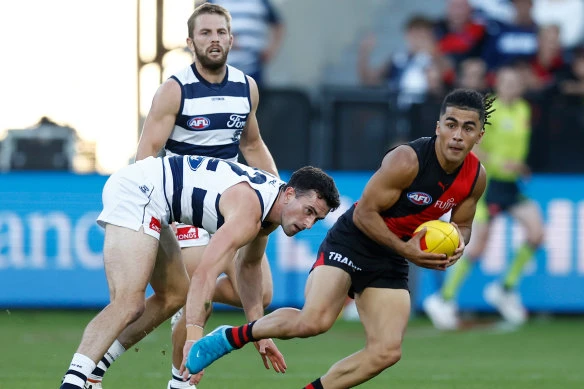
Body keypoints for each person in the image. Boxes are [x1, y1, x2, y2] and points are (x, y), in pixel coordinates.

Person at [181, 89, 491, 389]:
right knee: (313, 322)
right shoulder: (407, 160)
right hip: (353, 240)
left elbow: (461, 225)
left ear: (479, 135)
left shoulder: (476, 177)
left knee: (386, 352)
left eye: (468, 128)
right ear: (438, 127)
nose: (458, 135)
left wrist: (455, 246)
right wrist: (407, 249)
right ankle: (229, 337)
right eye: (451, 124)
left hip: (392, 256)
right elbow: (364, 214)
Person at [84, 4, 281, 389]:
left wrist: (277, 192)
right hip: (183, 208)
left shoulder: (246, 87)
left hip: (231, 205)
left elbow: (252, 143)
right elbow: (146, 157)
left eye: (221, 32)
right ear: (190, 42)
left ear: (231, 38)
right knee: (196, 294)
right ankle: (173, 380)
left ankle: (175, 321)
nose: (214, 40)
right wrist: (156, 215)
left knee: (260, 295)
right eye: (205, 33)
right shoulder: (174, 90)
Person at [59, 155, 341, 389]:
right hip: (138, 192)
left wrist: (259, 332)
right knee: (128, 302)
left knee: (175, 295)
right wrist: (194, 338)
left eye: (316, 218)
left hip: (158, 203)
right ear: (289, 193)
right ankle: (73, 382)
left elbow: (249, 268)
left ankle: (94, 372)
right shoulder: (250, 209)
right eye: (308, 211)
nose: (308, 223)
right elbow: (206, 273)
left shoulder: (271, 210)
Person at [424, 65, 544, 330]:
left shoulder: (523, 109)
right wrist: (504, 163)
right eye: (507, 81)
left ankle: (505, 287)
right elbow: (474, 148)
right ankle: (443, 299)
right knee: (477, 247)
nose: (512, 86)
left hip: (511, 185)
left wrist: (517, 167)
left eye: (516, 81)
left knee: (536, 233)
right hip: (488, 182)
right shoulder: (488, 110)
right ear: (498, 84)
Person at [197, 0, 285, 87]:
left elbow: (278, 24)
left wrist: (271, 50)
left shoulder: (261, 2)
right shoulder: (213, 2)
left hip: (253, 69)